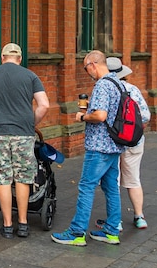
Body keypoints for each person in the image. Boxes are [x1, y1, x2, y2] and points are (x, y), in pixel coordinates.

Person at [0, 43, 50, 239]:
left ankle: (7, 225)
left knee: (2, 178)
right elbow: (44, 105)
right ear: (20, 59)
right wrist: (31, 122)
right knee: (23, 177)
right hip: (23, 134)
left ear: (2, 57)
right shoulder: (30, 76)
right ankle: (22, 223)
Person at [52, 51, 126, 246]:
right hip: (114, 144)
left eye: (86, 68)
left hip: (99, 146)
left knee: (86, 187)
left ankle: (77, 232)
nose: (87, 73)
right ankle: (111, 231)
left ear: (93, 64)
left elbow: (101, 116)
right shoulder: (117, 83)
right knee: (111, 188)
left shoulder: (102, 85)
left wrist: (83, 117)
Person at [106, 58, 151, 230]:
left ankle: (115, 221)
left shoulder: (106, 88)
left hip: (112, 141)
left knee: (113, 180)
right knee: (133, 179)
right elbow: (145, 116)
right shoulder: (133, 89)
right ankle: (139, 216)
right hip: (134, 141)